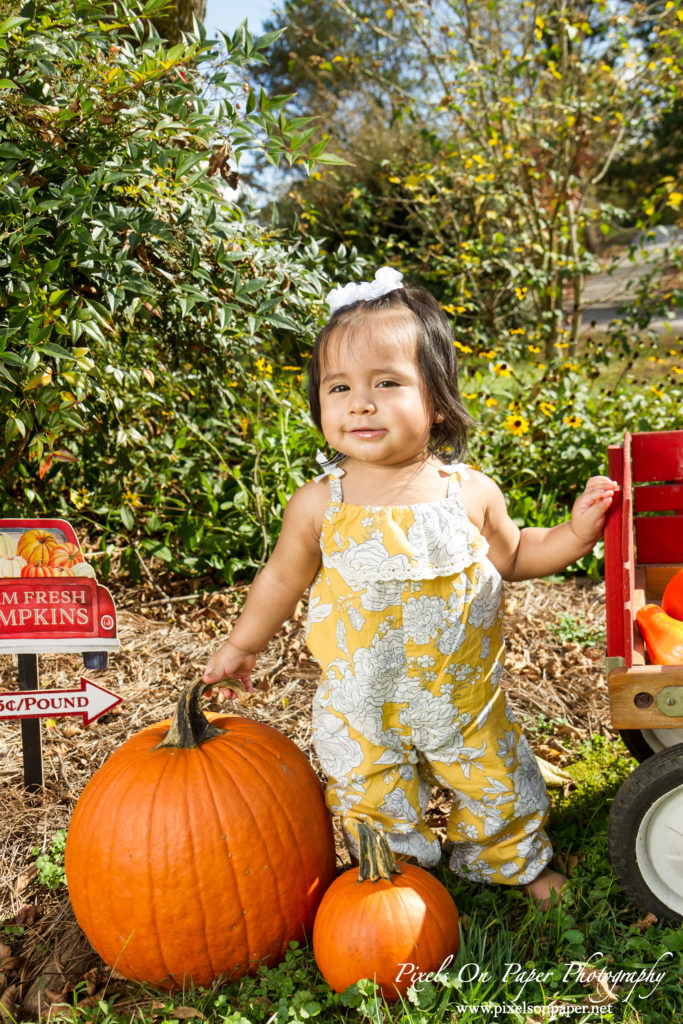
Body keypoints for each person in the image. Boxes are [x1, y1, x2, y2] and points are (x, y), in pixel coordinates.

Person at [204, 267, 617, 907]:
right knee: (369, 791)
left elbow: (515, 553)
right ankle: (395, 877)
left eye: (386, 383)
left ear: (437, 398)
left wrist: (574, 531)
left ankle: (512, 859)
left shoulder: (468, 491)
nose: (359, 403)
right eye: (338, 387)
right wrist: (241, 644)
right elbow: (282, 578)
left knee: (495, 778)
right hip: (362, 701)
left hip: (461, 695)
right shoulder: (319, 503)